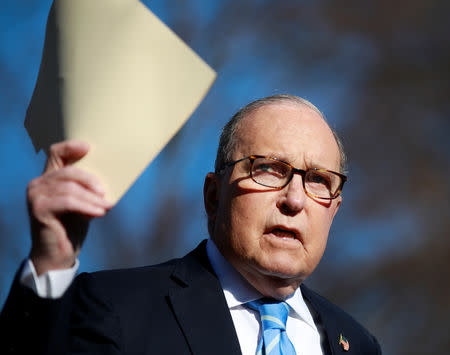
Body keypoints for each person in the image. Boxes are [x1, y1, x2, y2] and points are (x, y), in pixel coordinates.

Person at [0, 94, 381, 354]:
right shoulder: (115, 309)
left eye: (318, 180)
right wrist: (49, 264)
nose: (294, 200)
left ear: (334, 208)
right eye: (268, 169)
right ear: (214, 196)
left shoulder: (358, 344)